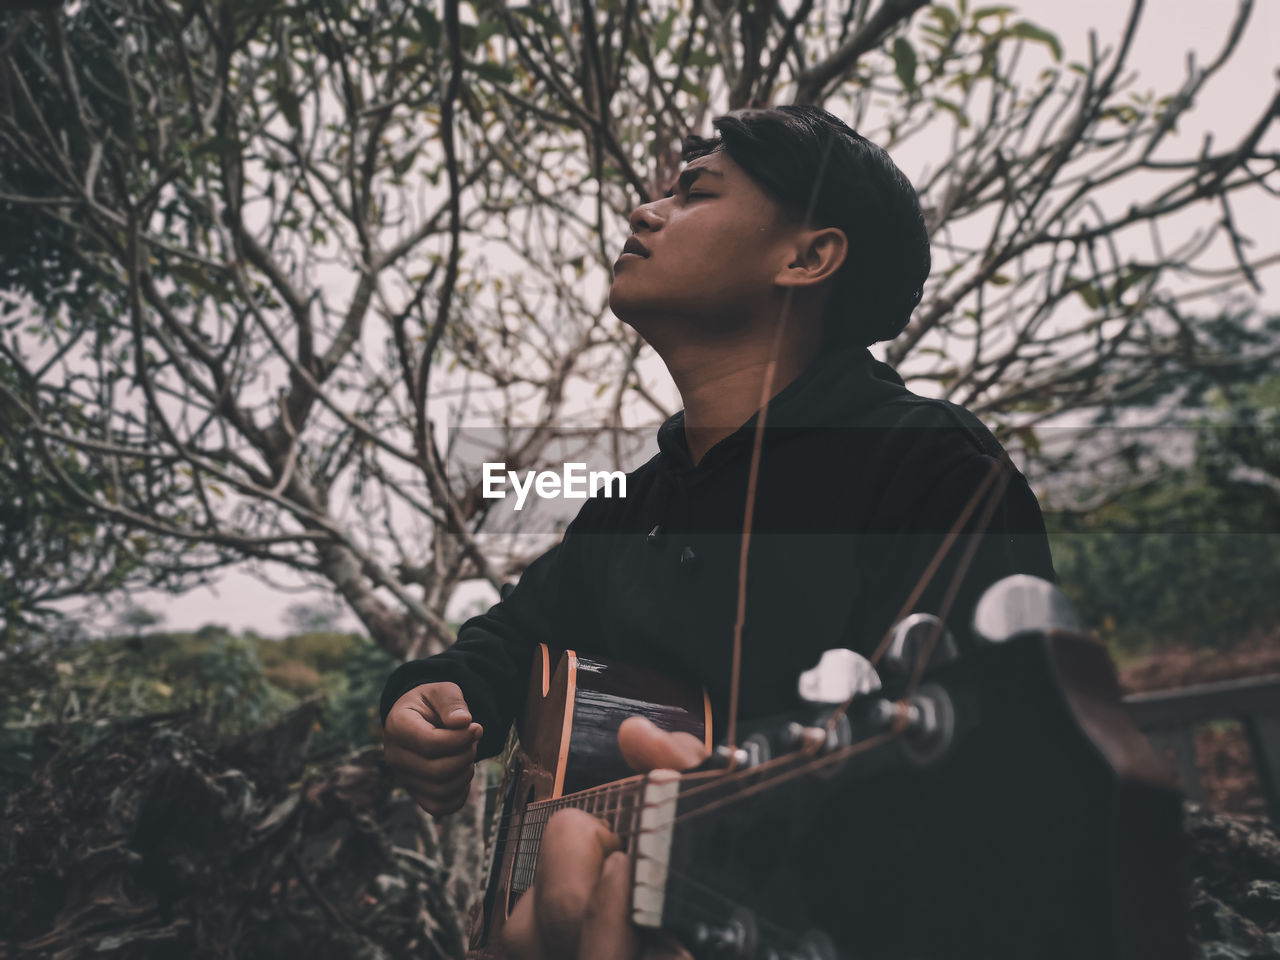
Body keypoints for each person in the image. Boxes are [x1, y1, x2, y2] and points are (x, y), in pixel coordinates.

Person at [380, 106, 1055, 959]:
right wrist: (433, 699)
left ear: (807, 257)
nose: (644, 212)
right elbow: (510, 640)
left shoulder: (931, 470)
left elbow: (985, 801)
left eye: (694, 192)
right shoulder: (633, 505)